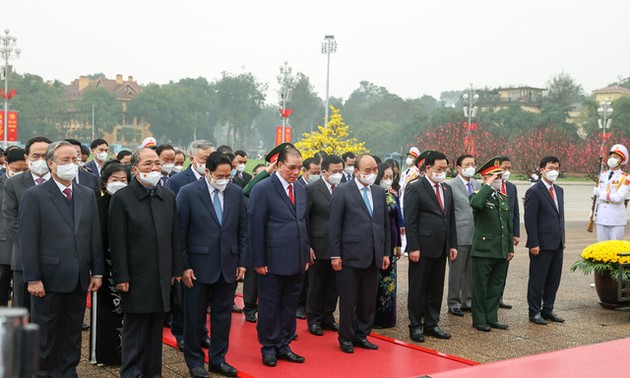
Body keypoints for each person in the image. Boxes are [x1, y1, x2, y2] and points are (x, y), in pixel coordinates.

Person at [20, 141, 104, 377]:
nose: (71, 165)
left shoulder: (86, 194)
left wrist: (97, 271)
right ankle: (44, 372)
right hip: (47, 279)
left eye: (75, 160)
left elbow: (93, 235)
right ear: (51, 164)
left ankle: (68, 371)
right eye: (65, 160)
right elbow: (28, 240)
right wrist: (33, 278)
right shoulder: (34, 196)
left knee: (72, 330)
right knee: (46, 333)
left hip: (78, 277)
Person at [109, 148, 183, 377]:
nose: (154, 168)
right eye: (148, 164)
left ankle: (153, 371)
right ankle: (131, 371)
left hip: (161, 274)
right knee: (135, 328)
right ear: (135, 169)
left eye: (157, 164)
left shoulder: (167, 196)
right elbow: (117, 240)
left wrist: (175, 269)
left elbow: (174, 236)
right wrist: (121, 276)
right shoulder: (122, 198)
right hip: (136, 275)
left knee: (155, 328)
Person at [177, 152, 248, 378]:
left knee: (223, 317)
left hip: (228, 265)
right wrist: (184, 266)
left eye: (228, 175)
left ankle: (218, 359)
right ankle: (195, 361)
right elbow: (180, 233)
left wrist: (242, 262)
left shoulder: (236, 193)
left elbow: (243, 230)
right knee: (194, 317)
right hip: (197, 267)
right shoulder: (188, 193)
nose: (224, 180)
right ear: (207, 172)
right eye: (220, 175)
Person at [248, 143, 309, 367]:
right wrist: (259, 260)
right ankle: (269, 347)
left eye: (299, 168)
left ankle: (284, 344)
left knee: (289, 304)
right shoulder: (263, 188)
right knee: (270, 305)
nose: (296, 172)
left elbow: (303, 223)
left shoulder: (301, 189)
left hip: (297, 259)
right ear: (280, 165)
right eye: (292, 167)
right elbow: (255, 226)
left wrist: (305, 254)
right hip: (272, 261)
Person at [329, 154, 391, 353]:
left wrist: (385, 253)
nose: (372, 174)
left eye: (374, 170)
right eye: (367, 170)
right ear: (356, 171)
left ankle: (361, 334)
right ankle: (345, 336)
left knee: (368, 299)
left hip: (373, 255)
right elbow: (335, 225)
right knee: (348, 299)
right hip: (349, 255)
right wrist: (335, 254)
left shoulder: (379, 192)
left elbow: (385, 226)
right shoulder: (343, 191)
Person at [404, 151, 457, 342]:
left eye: (444, 169)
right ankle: (415, 324)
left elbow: (449, 219)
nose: (442, 172)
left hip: (441, 247)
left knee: (435, 288)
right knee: (418, 287)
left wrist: (452, 244)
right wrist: (413, 247)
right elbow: (410, 221)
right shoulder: (416, 188)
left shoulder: (446, 189)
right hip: (422, 247)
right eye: (438, 169)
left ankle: (431, 323)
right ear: (428, 168)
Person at [167, 140, 215, 350]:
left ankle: (201, 332)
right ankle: (182, 333)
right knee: (185, 296)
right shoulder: (177, 181)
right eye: (204, 159)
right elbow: (175, 218)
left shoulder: (216, 179)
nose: (207, 163)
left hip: (209, 248)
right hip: (187, 245)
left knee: (204, 300)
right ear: (192, 158)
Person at [3, 136, 52, 312]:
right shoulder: (13, 183)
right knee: (23, 314)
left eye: (45, 156)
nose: (40, 160)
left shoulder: (62, 183)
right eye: (35, 155)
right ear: (26, 157)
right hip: (24, 260)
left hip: (57, 261)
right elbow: (12, 222)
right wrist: (34, 248)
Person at [90, 161, 130, 366]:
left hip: (129, 267)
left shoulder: (131, 203)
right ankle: (105, 354)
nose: (119, 184)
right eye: (115, 180)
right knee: (106, 312)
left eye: (124, 180)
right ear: (104, 182)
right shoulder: (96, 204)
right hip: (104, 265)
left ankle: (128, 354)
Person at [469, 157, 514, 332]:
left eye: (500, 177)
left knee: (496, 285)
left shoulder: (503, 198)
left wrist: (509, 248)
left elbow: (507, 226)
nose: (499, 180)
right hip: (484, 250)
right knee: (481, 287)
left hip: (500, 250)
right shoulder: (477, 195)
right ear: (485, 178)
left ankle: (492, 317)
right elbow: (476, 204)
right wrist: (487, 186)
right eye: (494, 177)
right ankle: (479, 319)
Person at [305, 155, 344, 336]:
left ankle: (328, 316)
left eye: (341, 171)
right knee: (317, 284)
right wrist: (308, 246)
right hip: (318, 243)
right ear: (324, 171)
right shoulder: (312, 189)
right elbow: (305, 218)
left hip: (338, 245)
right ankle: (314, 319)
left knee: (334, 284)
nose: (338, 174)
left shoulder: (343, 189)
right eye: (335, 171)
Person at [525, 156, 565, 325]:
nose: (553, 171)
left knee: (553, 279)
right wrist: (534, 242)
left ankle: (548, 309)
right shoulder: (534, 191)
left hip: (557, 243)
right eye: (550, 168)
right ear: (541, 169)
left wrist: (562, 239)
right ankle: (534, 311)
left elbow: (559, 216)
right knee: (538, 280)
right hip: (541, 244)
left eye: (556, 168)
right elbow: (530, 220)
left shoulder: (559, 190)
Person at [446, 154, 481, 316]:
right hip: (459, 235)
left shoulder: (478, 184)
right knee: (456, 272)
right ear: (459, 168)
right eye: (467, 164)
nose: (471, 167)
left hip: (476, 234)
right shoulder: (450, 186)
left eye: (473, 164)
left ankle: (468, 300)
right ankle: (454, 302)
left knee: (472, 271)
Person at [242, 163, 273, 323]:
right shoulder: (251, 192)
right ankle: (249, 307)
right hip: (253, 240)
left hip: (272, 240)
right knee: (253, 276)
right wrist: (266, 172)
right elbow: (247, 190)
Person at [373, 163, 402, 328]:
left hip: (391, 242)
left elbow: (397, 220)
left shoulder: (393, 194)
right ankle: (373, 317)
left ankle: (387, 318)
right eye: (385, 177)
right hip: (378, 242)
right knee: (376, 281)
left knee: (389, 283)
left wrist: (398, 244)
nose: (388, 180)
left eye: (391, 177)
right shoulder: (374, 194)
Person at [0, 147, 27, 306]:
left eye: (25, 169)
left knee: (21, 293)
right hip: (3, 246)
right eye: (17, 169)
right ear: (6, 165)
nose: (21, 172)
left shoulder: (34, 184)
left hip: (24, 246)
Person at [496, 156, 519, 309]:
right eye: (504, 168)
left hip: (507, 235)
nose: (507, 171)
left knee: (503, 268)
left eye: (509, 168)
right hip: (493, 233)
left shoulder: (511, 187)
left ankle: (499, 297)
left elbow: (515, 211)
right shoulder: (491, 185)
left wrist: (516, 233)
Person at [595, 144, 630, 241]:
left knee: (615, 250)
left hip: (616, 219)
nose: (612, 159)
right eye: (611, 156)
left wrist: (601, 194)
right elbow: (597, 198)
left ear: (621, 161)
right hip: (601, 217)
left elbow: (618, 197)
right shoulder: (603, 175)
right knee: (601, 249)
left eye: (616, 157)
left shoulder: (626, 177)